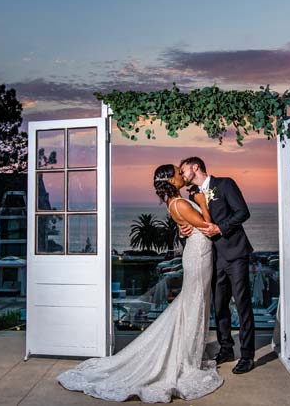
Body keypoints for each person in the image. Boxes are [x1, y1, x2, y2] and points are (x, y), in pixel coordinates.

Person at [56, 164, 223, 402]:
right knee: (193, 304)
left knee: (194, 304)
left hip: (198, 254)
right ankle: (185, 357)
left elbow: (186, 225)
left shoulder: (174, 203)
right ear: (171, 180)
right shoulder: (181, 203)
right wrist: (203, 203)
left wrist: (185, 226)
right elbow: (208, 228)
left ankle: (188, 352)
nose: (181, 174)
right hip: (198, 256)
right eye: (177, 172)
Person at [179, 156, 256, 375]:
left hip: (235, 253)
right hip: (212, 257)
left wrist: (220, 228)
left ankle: (248, 355)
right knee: (219, 305)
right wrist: (182, 232)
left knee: (242, 304)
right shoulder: (192, 195)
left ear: (196, 167)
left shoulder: (225, 184)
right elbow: (193, 223)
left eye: (183, 170)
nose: (182, 175)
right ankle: (226, 349)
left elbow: (243, 212)